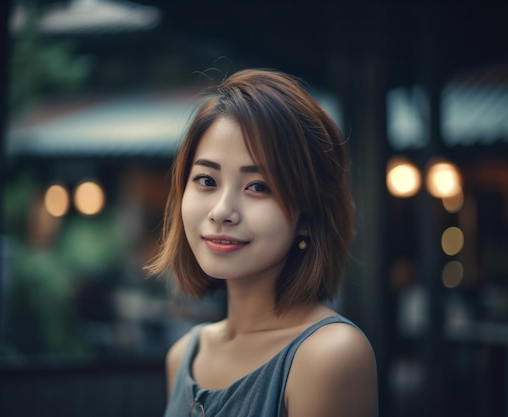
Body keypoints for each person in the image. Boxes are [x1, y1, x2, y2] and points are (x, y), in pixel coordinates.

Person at [145, 69, 378, 417]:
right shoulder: (183, 355)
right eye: (206, 180)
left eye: (258, 186)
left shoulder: (329, 355)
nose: (222, 211)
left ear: (308, 212)